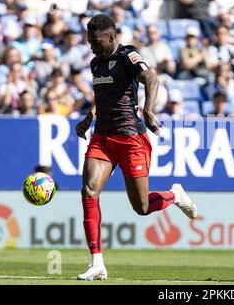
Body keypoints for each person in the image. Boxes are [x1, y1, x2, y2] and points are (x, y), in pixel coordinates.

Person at [74, 14, 198, 281]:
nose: (91, 47)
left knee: (141, 207)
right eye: (88, 41)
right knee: (89, 190)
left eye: (95, 41)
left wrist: (150, 109)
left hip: (131, 137)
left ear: (110, 37)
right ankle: (97, 263)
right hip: (103, 137)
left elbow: (151, 80)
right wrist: (89, 116)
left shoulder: (128, 56)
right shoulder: (96, 63)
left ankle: (175, 196)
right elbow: (102, 95)